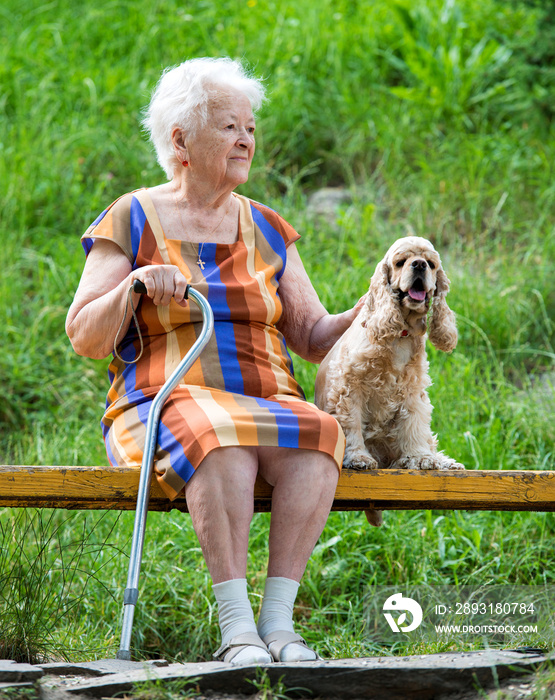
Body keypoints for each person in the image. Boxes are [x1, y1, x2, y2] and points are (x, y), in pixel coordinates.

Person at [66, 57, 361, 665]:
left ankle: (279, 624)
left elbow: (311, 335)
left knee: (318, 434)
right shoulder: (132, 216)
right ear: (180, 140)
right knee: (218, 435)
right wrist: (135, 286)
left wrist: (372, 307)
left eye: (250, 127)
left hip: (263, 399)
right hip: (162, 403)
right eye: (229, 126)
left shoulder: (266, 227)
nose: (247, 138)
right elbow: (84, 335)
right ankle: (238, 629)